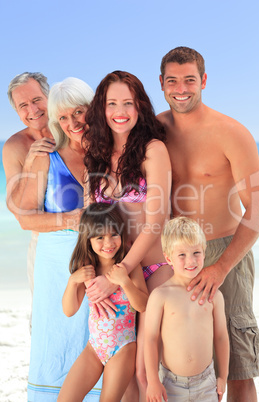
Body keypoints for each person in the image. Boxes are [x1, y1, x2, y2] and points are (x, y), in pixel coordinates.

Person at [157, 46, 259, 401]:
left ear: (203, 80)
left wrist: (220, 267)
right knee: (171, 362)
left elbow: (258, 208)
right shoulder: (153, 131)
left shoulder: (232, 133)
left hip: (222, 249)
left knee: (237, 364)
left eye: (190, 79)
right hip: (170, 254)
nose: (181, 88)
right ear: (161, 83)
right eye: (172, 80)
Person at [83, 70, 173, 400]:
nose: (120, 111)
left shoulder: (153, 150)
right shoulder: (93, 153)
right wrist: (98, 277)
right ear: (101, 109)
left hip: (153, 268)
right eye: (111, 103)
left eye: (128, 103)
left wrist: (120, 274)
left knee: (147, 371)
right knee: (123, 376)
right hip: (112, 274)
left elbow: (157, 221)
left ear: (139, 107)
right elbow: (90, 224)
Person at [19, 77, 98, 401]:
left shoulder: (109, 153)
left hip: (100, 259)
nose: (72, 123)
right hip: (54, 264)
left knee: (96, 340)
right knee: (56, 339)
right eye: (63, 117)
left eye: (78, 113)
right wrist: (71, 218)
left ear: (91, 109)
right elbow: (25, 218)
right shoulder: (46, 156)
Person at [58, 202, 148, 402]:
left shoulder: (129, 266)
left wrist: (124, 281)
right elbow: (69, 310)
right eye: (100, 237)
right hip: (94, 348)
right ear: (88, 239)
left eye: (114, 234)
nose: (108, 243)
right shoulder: (87, 268)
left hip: (123, 348)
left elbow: (143, 305)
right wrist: (73, 281)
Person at [144, 216, 229, 402]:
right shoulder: (160, 295)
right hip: (171, 384)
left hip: (207, 383)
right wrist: (152, 381)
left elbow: (221, 335)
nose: (190, 260)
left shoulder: (214, 296)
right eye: (181, 255)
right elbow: (150, 338)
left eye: (196, 252)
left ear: (204, 253)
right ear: (169, 258)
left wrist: (223, 376)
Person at [3, 72, 55, 298]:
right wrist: (31, 162)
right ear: (16, 111)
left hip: (90, 236)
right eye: (23, 105)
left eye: (36, 100)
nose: (32, 110)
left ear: (49, 96)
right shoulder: (15, 146)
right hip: (44, 242)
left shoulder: (73, 130)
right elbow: (19, 212)